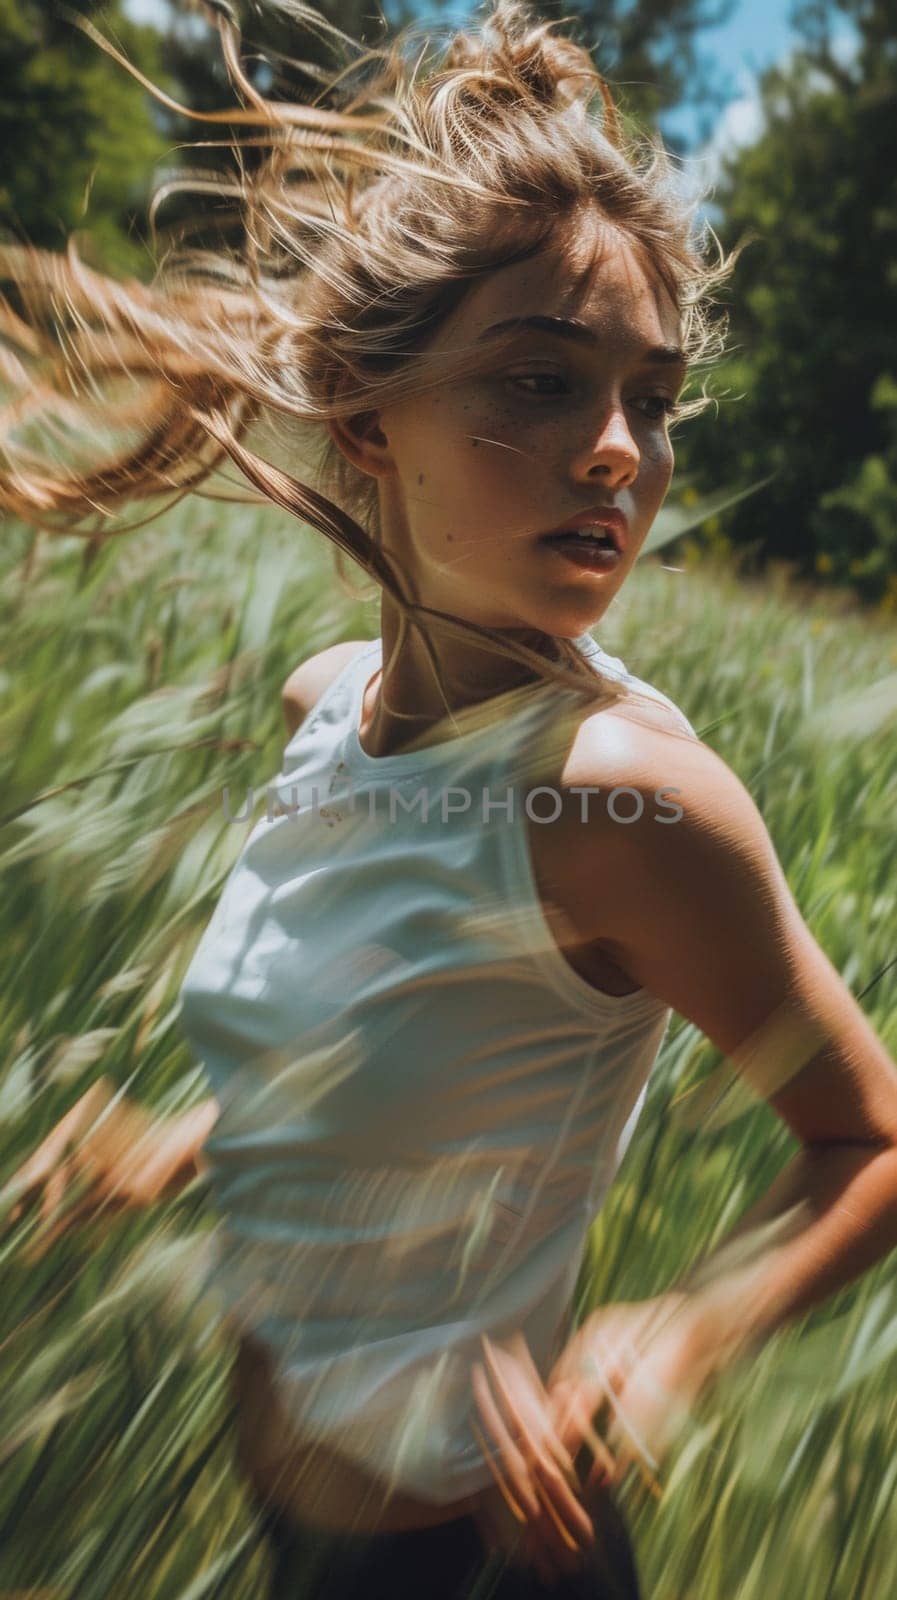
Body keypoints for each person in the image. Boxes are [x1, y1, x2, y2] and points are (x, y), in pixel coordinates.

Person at [4, 0, 897, 1595]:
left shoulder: (624, 811)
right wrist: (188, 1140)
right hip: (287, 1520)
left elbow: (870, 1139)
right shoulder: (325, 706)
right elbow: (404, 1039)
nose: (619, 450)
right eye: (543, 384)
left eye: (651, 397)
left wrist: (681, 1331)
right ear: (366, 413)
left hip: (477, 1561)